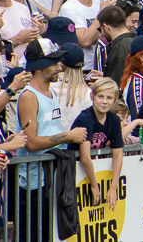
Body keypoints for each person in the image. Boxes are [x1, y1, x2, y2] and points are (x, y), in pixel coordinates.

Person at [15, 38, 86, 241]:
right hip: (34, 182)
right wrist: (68, 136)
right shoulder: (29, 96)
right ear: (39, 65)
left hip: (50, 177)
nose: (59, 66)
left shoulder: (51, 91)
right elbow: (32, 143)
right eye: (54, 62)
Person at [69, 78, 124, 209]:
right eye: (100, 96)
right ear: (92, 96)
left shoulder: (114, 120)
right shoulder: (86, 118)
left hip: (95, 169)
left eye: (109, 98)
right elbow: (85, 157)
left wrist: (113, 187)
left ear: (115, 100)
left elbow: (118, 155)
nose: (104, 101)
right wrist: (94, 185)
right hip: (75, 169)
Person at [60, 0, 116, 71]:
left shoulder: (98, 5)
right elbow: (85, 41)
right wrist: (102, 14)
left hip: (100, 68)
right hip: (82, 70)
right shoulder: (69, 8)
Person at [51, 43, 93, 132]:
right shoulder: (88, 93)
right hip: (79, 142)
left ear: (60, 63)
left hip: (51, 142)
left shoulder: (48, 88)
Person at [98, 6, 136, 85]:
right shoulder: (135, 40)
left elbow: (117, 85)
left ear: (106, 27)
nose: (101, 33)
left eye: (100, 29)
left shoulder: (119, 49)